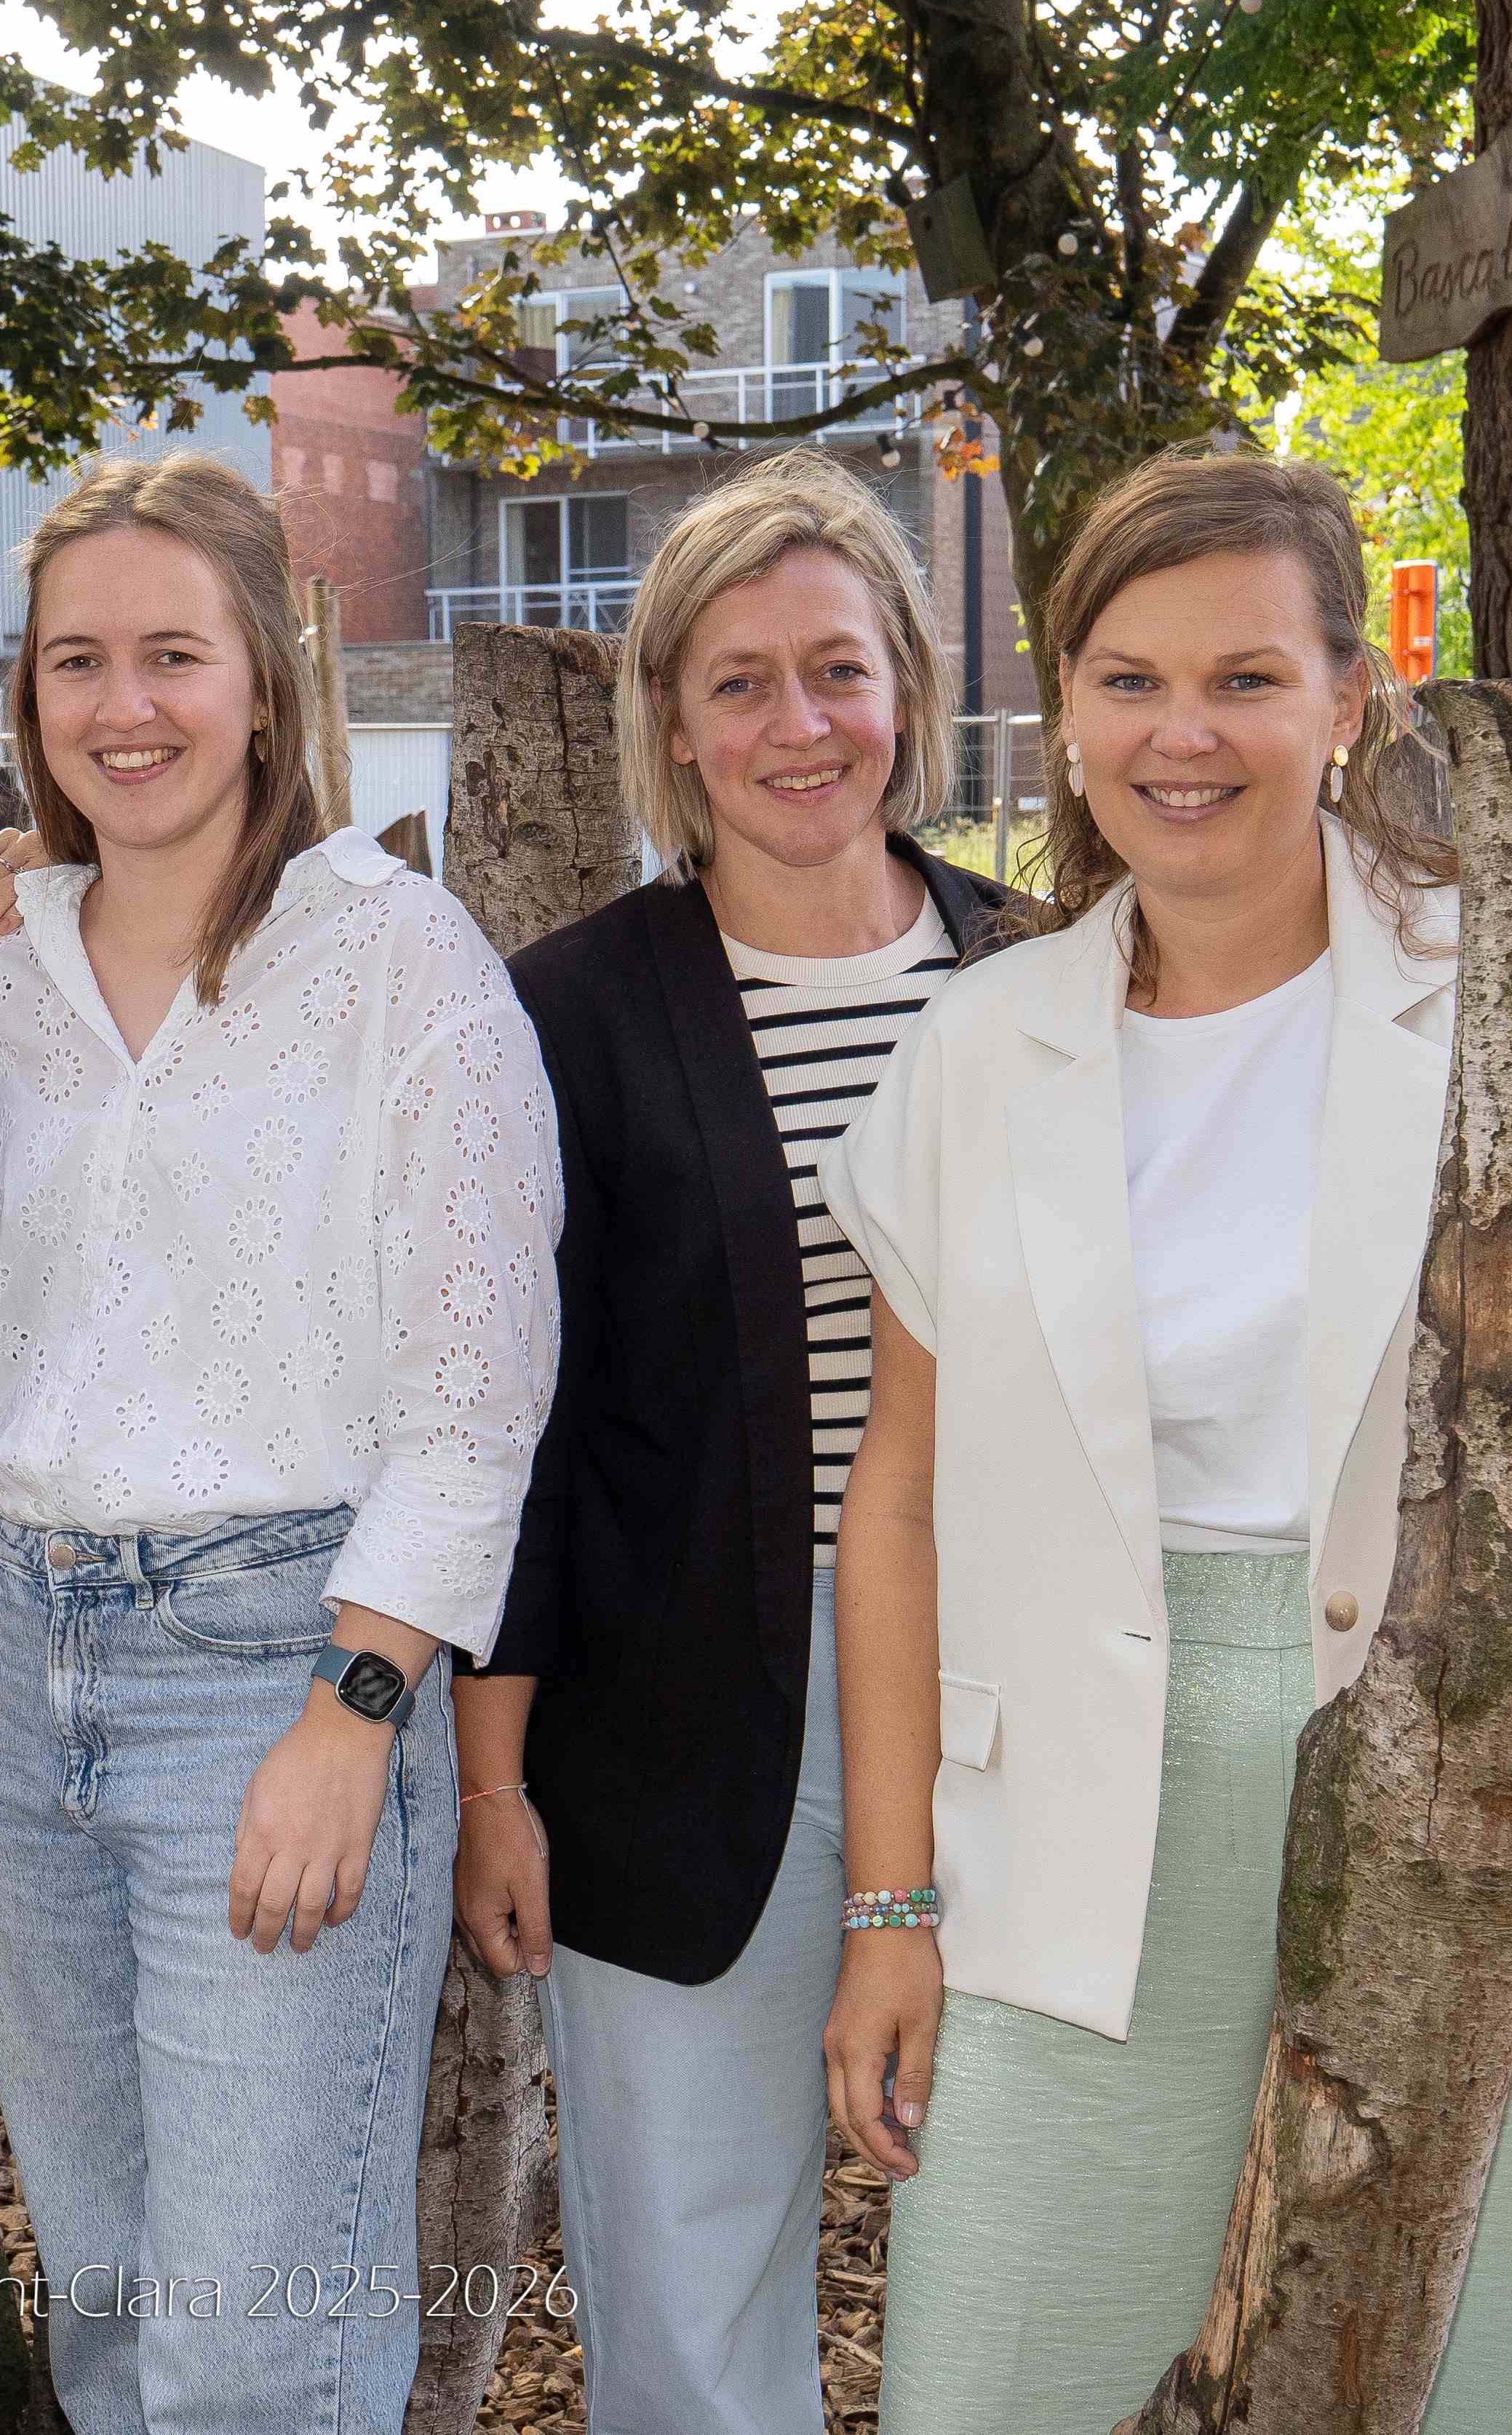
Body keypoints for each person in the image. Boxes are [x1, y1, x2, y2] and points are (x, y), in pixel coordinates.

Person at [817, 445, 1512, 2433]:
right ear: (1066, 708)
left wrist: (1504, 1551)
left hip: (1484, 1800)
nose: (1181, 734)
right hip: (1065, 1820)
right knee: (1013, 2371)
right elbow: (893, 1506)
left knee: (1499, 2392)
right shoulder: (974, 1050)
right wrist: (891, 1905)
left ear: (1351, 697)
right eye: (1129, 678)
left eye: (1245, 678)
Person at [0, 450, 560, 2435]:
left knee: (252, 2352)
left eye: (172, 655)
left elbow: (476, 1392)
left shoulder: (400, 962)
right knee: (112, 2308)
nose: (124, 705)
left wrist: (355, 1707)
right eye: (76, 662)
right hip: (21, 1666)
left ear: (267, 681)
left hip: (279, 1664)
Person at [452, 450, 1014, 2435]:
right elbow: (515, 1430)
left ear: (907, 689)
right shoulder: (570, 1015)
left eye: (838, 670)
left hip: (1020, 1701)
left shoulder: (1042, 975)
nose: (800, 724)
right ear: (671, 725)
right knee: (692, 2294)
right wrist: (493, 1779)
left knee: (1024, 2260)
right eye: (742, 682)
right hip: (676, 1731)